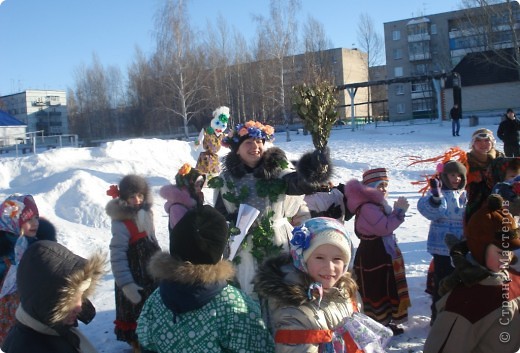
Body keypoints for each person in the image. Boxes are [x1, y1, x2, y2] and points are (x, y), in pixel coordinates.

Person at [211, 120, 332, 295]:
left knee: (282, 292)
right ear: (236, 149)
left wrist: (314, 169)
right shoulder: (226, 180)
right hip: (243, 247)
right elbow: (219, 216)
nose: (255, 146)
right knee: (248, 291)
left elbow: (298, 184)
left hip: (277, 242)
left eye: (259, 141)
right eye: (248, 143)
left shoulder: (277, 170)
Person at [136, 205, 275, 353]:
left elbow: (146, 343)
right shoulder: (234, 305)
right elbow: (258, 347)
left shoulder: (156, 299)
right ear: (220, 248)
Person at [253, 217, 392, 353]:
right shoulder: (294, 310)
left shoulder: (346, 290)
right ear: (302, 260)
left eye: (337, 259)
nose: (329, 267)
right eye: (319, 257)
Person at [424, 194, 520, 353]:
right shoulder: (466, 301)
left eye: (509, 251)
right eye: (500, 252)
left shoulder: (514, 280)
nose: (506, 257)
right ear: (479, 249)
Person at [1, 240, 105, 353]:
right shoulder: (27, 348)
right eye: (70, 299)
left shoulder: (54, 330)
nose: (79, 307)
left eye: (82, 295)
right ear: (46, 300)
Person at [344, 168, 411, 335]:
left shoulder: (376, 204)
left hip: (380, 250)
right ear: (369, 188)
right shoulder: (368, 207)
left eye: (385, 185)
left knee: (386, 285)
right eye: (379, 185)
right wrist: (399, 213)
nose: (383, 189)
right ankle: (379, 323)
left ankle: (388, 320)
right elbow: (384, 227)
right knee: (376, 287)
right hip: (373, 254)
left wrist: (395, 213)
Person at [105, 174, 161, 352]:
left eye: (140, 195)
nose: (137, 200)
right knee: (136, 313)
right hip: (134, 276)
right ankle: (137, 345)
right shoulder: (121, 223)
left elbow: (152, 241)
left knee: (153, 308)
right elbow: (117, 256)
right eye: (132, 197)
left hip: (151, 273)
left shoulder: (146, 214)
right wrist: (126, 284)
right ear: (124, 199)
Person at [417, 160, 467, 324]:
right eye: (452, 175)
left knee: (459, 283)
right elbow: (431, 212)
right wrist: (436, 198)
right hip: (442, 248)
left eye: (460, 176)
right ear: (445, 176)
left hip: (460, 248)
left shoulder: (464, 194)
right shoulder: (440, 194)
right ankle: (438, 317)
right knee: (442, 282)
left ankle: (455, 314)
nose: (456, 179)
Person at [0, 194, 40, 345]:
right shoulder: (4, 251)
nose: (35, 223)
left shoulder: (36, 245)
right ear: (13, 220)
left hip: (32, 314)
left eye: (36, 217)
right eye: (28, 219)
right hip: (8, 315)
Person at [465, 128, 504, 223]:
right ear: (472, 144)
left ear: (492, 143)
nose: (483, 144)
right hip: (472, 206)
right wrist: (471, 178)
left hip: (500, 204)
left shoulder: (502, 160)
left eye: (487, 140)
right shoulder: (465, 161)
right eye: (478, 141)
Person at [159, 163, 205, 231]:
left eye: (200, 184)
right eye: (197, 185)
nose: (199, 188)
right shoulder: (177, 208)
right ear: (188, 185)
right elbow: (185, 232)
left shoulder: (193, 200)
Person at [194, 106, 229, 176]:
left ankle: (212, 179)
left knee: (214, 173)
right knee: (202, 171)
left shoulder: (222, 135)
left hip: (214, 158)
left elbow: (228, 140)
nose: (220, 127)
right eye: (218, 124)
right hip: (205, 156)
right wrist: (198, 142)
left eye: (223, 125)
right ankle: (201, 180)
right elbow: (201, 136)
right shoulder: (208, 131)